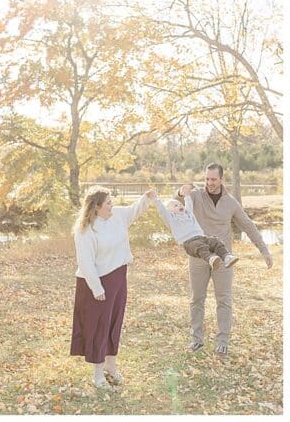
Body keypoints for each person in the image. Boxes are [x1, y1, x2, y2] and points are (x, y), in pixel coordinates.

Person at [174, 163, 273, 356]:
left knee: (224, 300)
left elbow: (248, 225)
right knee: (196, 299)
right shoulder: (196, 196)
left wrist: (264, 249)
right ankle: (196, 340)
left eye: (213, 179)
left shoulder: (231, 203)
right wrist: (179, 191)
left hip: (224, 258)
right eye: (207, 179)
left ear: (221, 179)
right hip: (199, 256)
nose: (209, 183)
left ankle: (222, 341)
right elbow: (175, 202)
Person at [70, 186, 155, 388]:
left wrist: (146, 198)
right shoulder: (85, 230)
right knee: (99, 326)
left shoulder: (117, 216)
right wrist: (97, 288)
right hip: (97, 282)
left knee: (114, 322)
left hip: (118, 277)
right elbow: (85, 262)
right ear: (96, 207)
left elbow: (134, 210)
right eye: (108, 203)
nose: (112, 205)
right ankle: (98, 375)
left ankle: (110, 366)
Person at [154, 197, 238, 268]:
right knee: (199, 247)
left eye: (180, 204)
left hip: (202, 237)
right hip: (189, 242)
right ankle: (210, 258)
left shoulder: (189, 213)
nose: (179, 205)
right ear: (170, 211)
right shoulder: (171, 218)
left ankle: (226, 257)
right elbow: (162, 211)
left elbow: (189, 204)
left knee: (215, 241)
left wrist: (187, 195)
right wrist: (155, 199)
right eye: (175, 205)